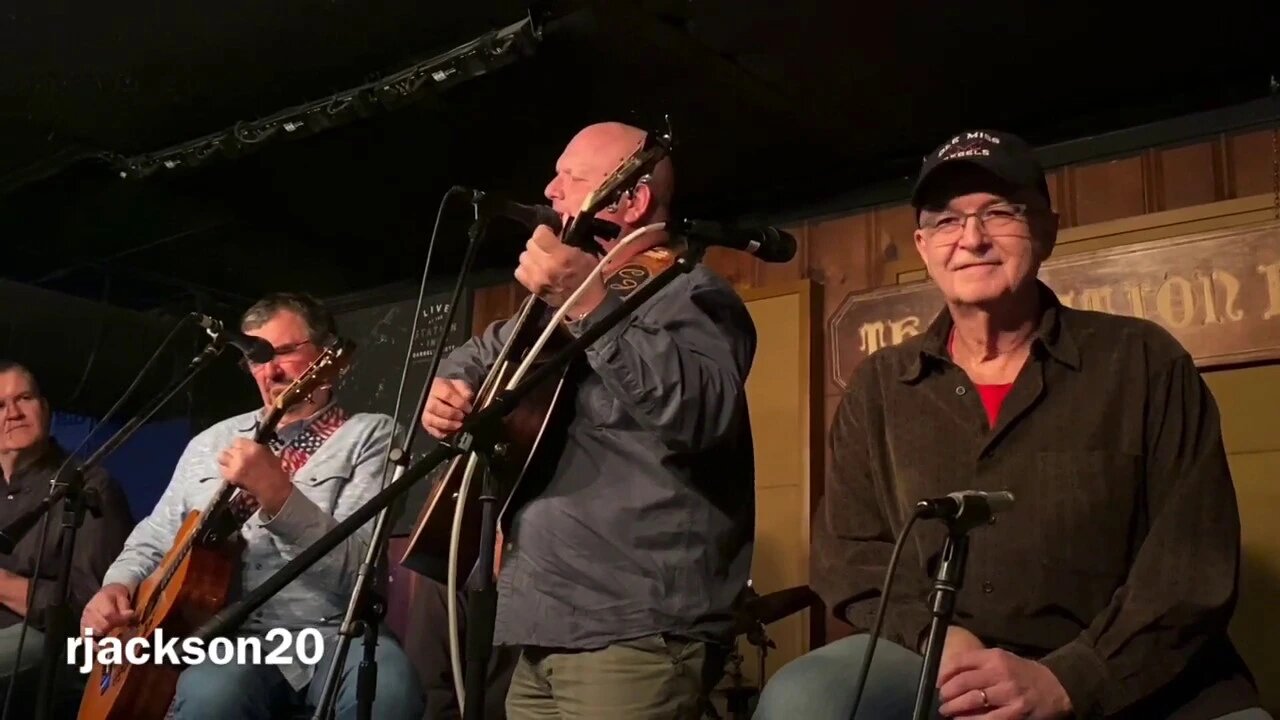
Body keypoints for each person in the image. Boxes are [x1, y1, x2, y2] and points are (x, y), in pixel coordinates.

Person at [753, 129, 1271, 719]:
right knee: (804, 701)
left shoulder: (1145, 362)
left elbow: (1191, 565)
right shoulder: (879, 387)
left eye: (999, 213)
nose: (972, 239)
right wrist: (937, 638)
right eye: (947, 221)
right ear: (923, 245)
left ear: (1047, 229)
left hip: (1122, 662)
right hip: (942, 654)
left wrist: (1071, 679)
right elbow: (847, 555)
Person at [421, 121, 757, 719]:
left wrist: (587, 300)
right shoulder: (547, 311)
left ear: (631, 201)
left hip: (634, 627)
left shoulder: (688, 292)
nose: (550, 190)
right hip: (539, 620)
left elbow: (703, 413)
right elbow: (477, 352)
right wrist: (450, 387)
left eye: (570, 178)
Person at [81, 293, 425, 720]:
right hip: (230, 638)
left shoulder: (371, 437)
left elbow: (357, 570)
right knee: (210, 698)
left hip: (336, 631)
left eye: (284, 352)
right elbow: (155, 534)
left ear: (326, 356)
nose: (272, 370)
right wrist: (117, 584)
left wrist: (279, 495)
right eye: (257, 358)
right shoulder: (210, 443)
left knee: (391, 690)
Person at [0, 360, 133, 715]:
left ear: (45, 409)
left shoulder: (89, 487)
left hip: (55, 645)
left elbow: (84, 611)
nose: (12, 413)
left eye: (23, 398)